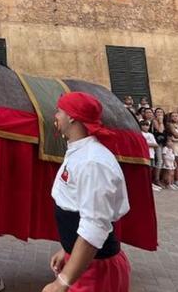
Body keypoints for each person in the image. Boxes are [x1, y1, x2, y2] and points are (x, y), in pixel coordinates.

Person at [43, 92, 131, 292]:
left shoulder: (92, 162)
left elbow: (95, 225)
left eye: (59, 111)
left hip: (96, 272)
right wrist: (66, 250)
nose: (55, 116)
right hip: (84, 264)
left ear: (72, 117)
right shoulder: (80, 152)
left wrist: (62, 282)